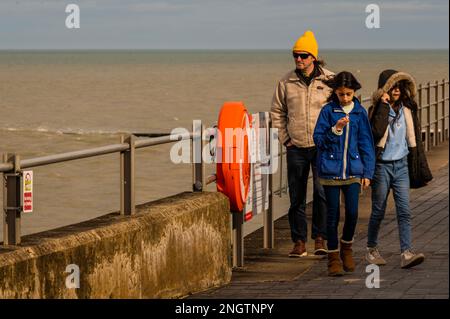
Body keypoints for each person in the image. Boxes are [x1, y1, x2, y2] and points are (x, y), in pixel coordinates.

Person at [271, 30, 334, 257]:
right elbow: (277, 112)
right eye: (296, 55)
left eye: (303, 55)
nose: (299, 59)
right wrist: (285, 138)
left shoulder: (329, 80)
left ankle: (320, 238)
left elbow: (339, 110)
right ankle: (298, 242)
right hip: (295, 146)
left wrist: (333, 139)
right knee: (296, 196)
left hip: (322, 148)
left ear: (313, 57)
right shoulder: (286, 82)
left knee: (321, 193)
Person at [366, 69, 432, 269]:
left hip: (402, 165)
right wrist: (384, 105)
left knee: (404, 211)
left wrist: (420, 167)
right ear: (385, 89)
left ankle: (406, 252)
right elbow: (376, 131)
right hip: (382, 167)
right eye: (392, 86)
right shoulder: (376, 109)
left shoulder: (408, 109)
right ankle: (371, 249)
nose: (396, 90)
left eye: (399, 86)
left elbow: (415, 142)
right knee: (378, 210)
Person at [313, 71, 375, 276]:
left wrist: (368, 172)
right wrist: (335, 129)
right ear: (335, 93)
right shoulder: (328, 111)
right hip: (330, 171)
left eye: (348, 94)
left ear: (354, 92)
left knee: (353, 213)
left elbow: (366, 143)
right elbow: (318, 139)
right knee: (332, 216)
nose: (345, 98)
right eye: (341, 94)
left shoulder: (359, 113)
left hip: (353, 171)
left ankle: (346, 248)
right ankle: (333, 257)